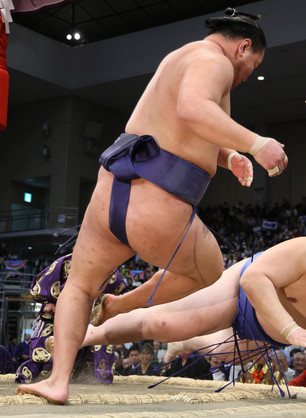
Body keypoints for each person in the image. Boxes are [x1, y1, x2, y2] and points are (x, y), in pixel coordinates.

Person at [16, 8, 287, 405]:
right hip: (157, 202)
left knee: (78, 285)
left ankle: (58, 380)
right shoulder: (216, 62)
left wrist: (228, 157)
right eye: (253, 64)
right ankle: (120, 306)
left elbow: (178, 126)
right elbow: (194, 110)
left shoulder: (179, 57)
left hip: (110, 193)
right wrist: (256, 143)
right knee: (209, 271)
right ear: (243, 46)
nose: (247, 74)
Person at [79, 225, 306, 403]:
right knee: (166, 323)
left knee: (225, 354)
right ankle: (87, 334)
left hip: (268, 332)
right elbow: (254, 280)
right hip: (242, 294)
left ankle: (185, 344)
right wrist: (290, 329)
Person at [15, 254, 127, 385]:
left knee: (100, 340)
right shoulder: (67, 262)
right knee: (45, 345)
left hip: (95, 315)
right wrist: (49, 301)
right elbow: (46, 284)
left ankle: (97, 381)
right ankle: (40, 378)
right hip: (60, 310)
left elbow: (120, 295)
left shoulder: (112, 272)